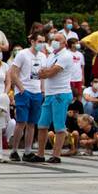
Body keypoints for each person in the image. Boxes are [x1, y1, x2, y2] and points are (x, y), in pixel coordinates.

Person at [31, 32, 79, 164]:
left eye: (58, 40)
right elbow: (43, 71)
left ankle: (56, 155)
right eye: (53, 39)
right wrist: (45, 72)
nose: (55, 42)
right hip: (50, 93)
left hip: (61, 94)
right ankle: (40, 154)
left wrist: (45, 72)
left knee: (59, 126)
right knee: (42, 124)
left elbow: (50, 72)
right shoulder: (52, 55)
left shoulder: (66, 55)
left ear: (64, 43)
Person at [8, 33, 47, 161]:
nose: (41, 44)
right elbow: (13, 72)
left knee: (32, 123)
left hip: (36, 91)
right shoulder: (23, 54)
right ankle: (14, 150)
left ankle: (28, 151)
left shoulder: (43, 56)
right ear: (32, 41)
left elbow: (42, 74)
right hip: (24, 90)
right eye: (39, 41)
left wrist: (42, 90)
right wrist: (21, 88)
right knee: (21, 122)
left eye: (43, 41)